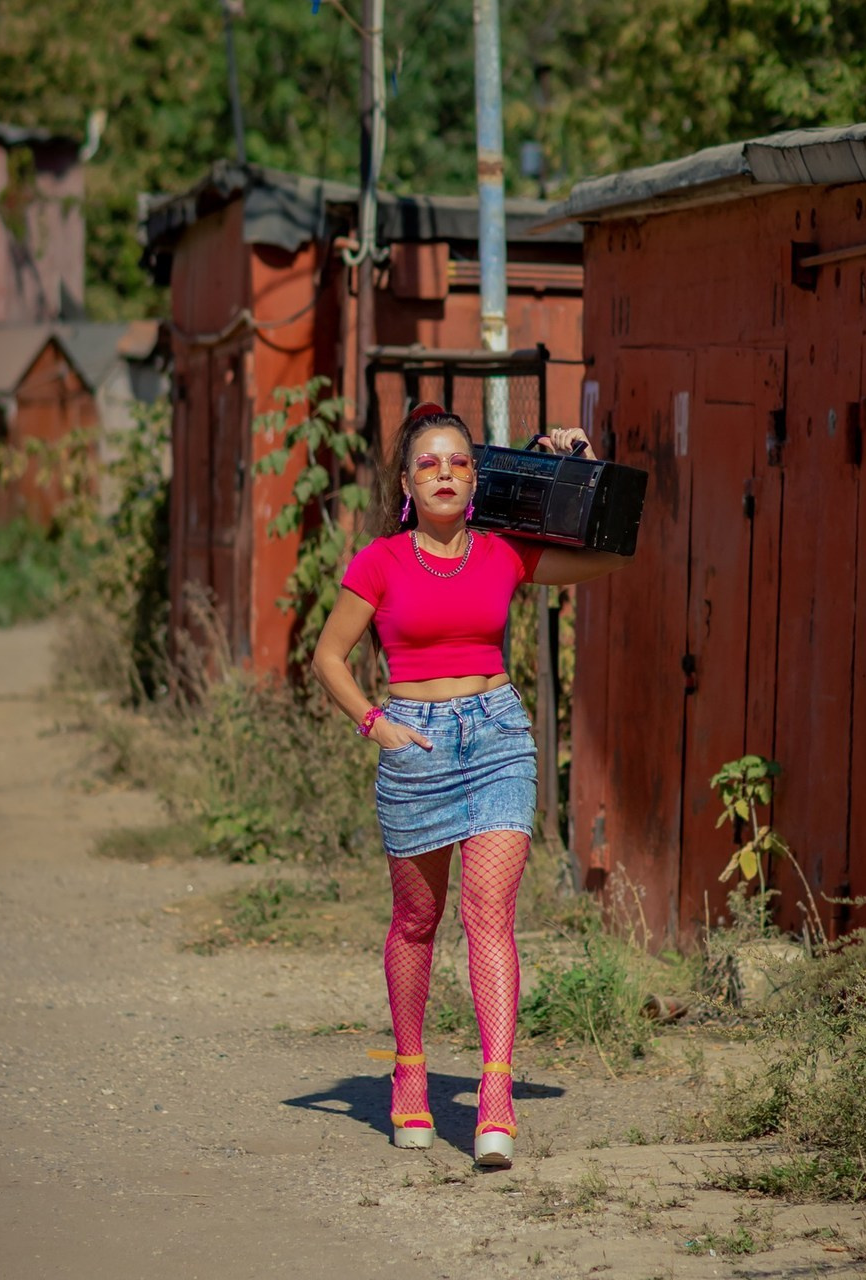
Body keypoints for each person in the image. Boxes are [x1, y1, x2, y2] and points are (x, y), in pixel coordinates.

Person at [311, 402, 630, 1169]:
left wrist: (576, 469)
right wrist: (373, 723)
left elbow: (612, 554)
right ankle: (411, 1072)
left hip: (496, 739)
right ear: (407, 483)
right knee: (417, 921)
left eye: (458, 462)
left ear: (477, 477)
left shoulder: (503, 553)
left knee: (489, 916)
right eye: (430, 463)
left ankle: (494, 1094)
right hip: (415, 744)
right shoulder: (379, 563)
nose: (445, 473)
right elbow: (328, 657)